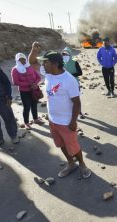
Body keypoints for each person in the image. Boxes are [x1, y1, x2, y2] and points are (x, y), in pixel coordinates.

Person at [37, 51, 91, 179]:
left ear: (55, 64)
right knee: (61, 144)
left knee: (73, 146)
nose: (43, 64)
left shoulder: (69, 80)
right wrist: (34, 50)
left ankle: (82, 164)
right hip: (52, 120)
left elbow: (76, 103)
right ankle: (71, 164)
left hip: (66, 122)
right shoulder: (48, 73)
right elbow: (32, 61)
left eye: (46, 62)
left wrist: (73, 122)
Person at [11, 53, 44, 130]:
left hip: (34, 90)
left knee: (34, 105)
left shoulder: (30, 67)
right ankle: (26, 123)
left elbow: (38, 77)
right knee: (26, 107)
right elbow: (15, 82)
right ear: (17, 60)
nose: (23, 60)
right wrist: (28, 84)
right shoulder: (15, 70)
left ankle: (35, 119)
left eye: (23, 59)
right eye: (20, 59)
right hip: (24, 91)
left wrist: (35, 84)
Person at [61, 47, 85, 119]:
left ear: (70, 55)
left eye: (66, 54)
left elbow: (80, 72)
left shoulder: (75, 62)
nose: (64, 56)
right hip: (65, 84)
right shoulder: (61, 63)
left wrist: (70, 75)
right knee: (67, 99)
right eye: (63, 54)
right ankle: (70, 113)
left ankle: (79, 112)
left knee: (76, 99)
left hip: (75, 83)